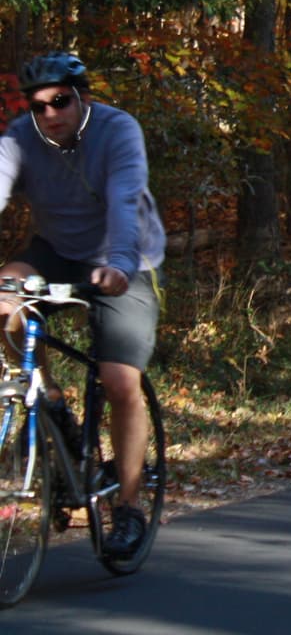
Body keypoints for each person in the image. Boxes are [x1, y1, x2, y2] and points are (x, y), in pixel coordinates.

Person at [0, 51, 165, 559]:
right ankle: (50, 401)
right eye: (38, 106)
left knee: (119, 382)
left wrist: (117, 264)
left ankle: (129, 509)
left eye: (60, 101)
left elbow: (123, 200)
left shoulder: (118, 131)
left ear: (83, 96)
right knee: (1, 298)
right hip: (55, 253)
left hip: (127, 259)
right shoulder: (20, 137)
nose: (50, 114)